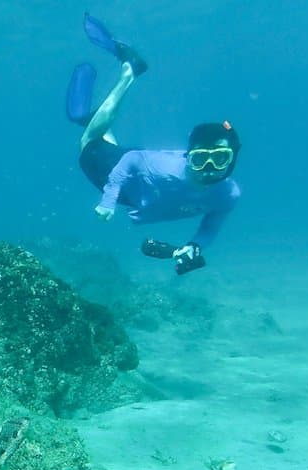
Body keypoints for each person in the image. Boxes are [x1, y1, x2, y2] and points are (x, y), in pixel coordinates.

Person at [66, 13, 241, 275]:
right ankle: (129, 72)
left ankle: (93, 117)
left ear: (233, 160)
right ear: (188, 157)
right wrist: (109, 198)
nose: (207, 168)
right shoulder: (166, 167)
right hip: (120, 174)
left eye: (219, 159)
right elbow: (132, 160)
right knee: (88, 142)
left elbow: (212, 223)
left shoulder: (228, 194)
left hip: (136, 189)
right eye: (200, 158)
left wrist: (194, 246)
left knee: (99, 133)